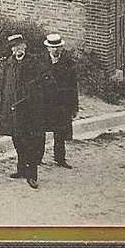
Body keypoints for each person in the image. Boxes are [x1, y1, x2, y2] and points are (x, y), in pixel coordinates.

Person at [0, 34, 47, 189]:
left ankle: (32, 175)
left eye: (19, 46)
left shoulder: (34, 63)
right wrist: (2, 105)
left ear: (25, 46)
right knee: (17, 140)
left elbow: (45, 82)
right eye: (14, 47)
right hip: (12, 109)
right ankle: (21, 170)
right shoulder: (9, 63)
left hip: (29, 110)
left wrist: (33, 95)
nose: (17, 49)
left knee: (30, 142)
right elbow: (4, 85)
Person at [39, 33, 79, 168]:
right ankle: (38, 158)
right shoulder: (40, 63)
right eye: (52, 47)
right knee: (40, 132)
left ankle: (60, 158)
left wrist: (74, 107)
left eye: (58, 47)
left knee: (60, 132)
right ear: (48, 48)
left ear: (61, 48)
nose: (55, 50)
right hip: (45, 103)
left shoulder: (68, 64)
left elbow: (73, 87)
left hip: (62, 104)